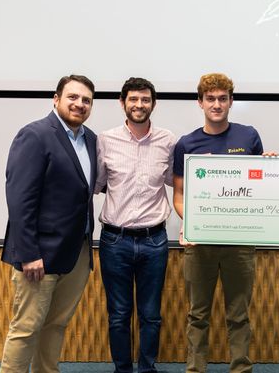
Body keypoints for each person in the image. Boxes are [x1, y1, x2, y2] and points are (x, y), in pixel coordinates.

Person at [173, 73, 270, 373]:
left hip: (239, 243)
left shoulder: (248, 136)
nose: (217, 104)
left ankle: (240, 368)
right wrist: (190, 223)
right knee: (197, 314)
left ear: (231, 101)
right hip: (200, 244)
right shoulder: (186, 143)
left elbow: (261, 187)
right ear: (200, 102)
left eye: (222, 98)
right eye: (210, 99)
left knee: (238, 314)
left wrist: (271, 168)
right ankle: (195, 369)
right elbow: (179, 195)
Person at [0, 74, 97, 373]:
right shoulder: (35, 134)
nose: (79, 104)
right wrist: (28, 253)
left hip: (76, 253)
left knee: (55, 325)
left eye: (86, 100)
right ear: (56, 99)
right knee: (26, 327)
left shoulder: (90, 139)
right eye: (73, 97)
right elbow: (19, 199)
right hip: (39, 255)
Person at [95, 77, 176, 373]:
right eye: (133, 99)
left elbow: (176, 182)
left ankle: (147, 368)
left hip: (155, 240)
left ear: (153, 104)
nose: (139, 105)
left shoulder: (168, 141)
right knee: (118, 314)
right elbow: (98, 183)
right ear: (122, 103)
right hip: (114, 241)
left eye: (145, 100)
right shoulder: (105, 140)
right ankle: (122, 369)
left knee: (151, 314)